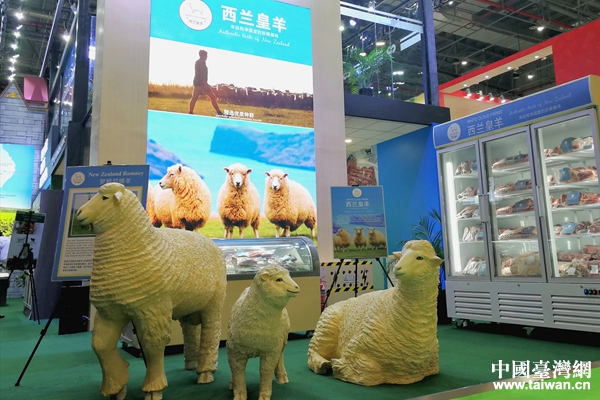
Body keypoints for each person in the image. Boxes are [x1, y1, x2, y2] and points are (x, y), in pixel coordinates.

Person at [189, 49, 224, 116]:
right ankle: (219, 112)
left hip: (196, 83)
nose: (207, 57)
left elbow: (198, 73)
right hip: (202, 84)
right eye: (206, 56)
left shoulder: (197, 62)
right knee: (212, 97)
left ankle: (190, 112)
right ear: (203, 56)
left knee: (194, 98)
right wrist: (205, 83)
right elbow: (202, 73)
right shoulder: (202, 63)